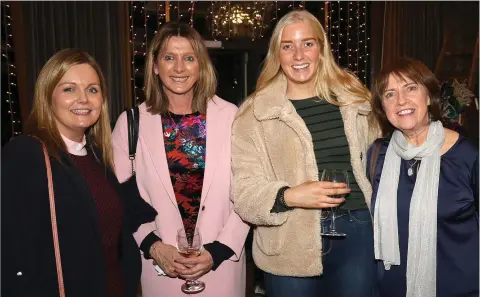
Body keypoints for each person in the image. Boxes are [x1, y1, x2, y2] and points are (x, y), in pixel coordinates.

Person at [231, 10, 380, 297]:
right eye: (288, 46)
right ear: (278, 54)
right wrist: (289, 196)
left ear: (322, 50)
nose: (299, 54)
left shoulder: (355, 101)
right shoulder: (254, 113)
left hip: (357, 229)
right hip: (289, 240)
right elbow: (244, 192)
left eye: (307, 43)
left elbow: (383, 161)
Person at [1, 48, 157, 297]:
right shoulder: (27, 154)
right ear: (48, 96)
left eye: (92, 90)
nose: (83, 98)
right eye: (69, 89)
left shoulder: (95, 156)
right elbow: (13, 253)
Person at [112, 22, 250, 297]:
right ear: (154, 65)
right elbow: (122, 198)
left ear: (201, 65)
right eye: (169, 57)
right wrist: (153, 246)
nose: (179, 68)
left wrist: (218, 250)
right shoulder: (130, 124)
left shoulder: (233, 117)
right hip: (162, 268)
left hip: (220, 268)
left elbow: (248, 191)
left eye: (188, 58)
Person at [367, 58, 479, 297]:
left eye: (410, 88)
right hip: (391, 289)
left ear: (428, 97)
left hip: (461, 288)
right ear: (383, 108)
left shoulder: (468, 156)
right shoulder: (378, 155)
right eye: (389, 94)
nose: (401, 101)